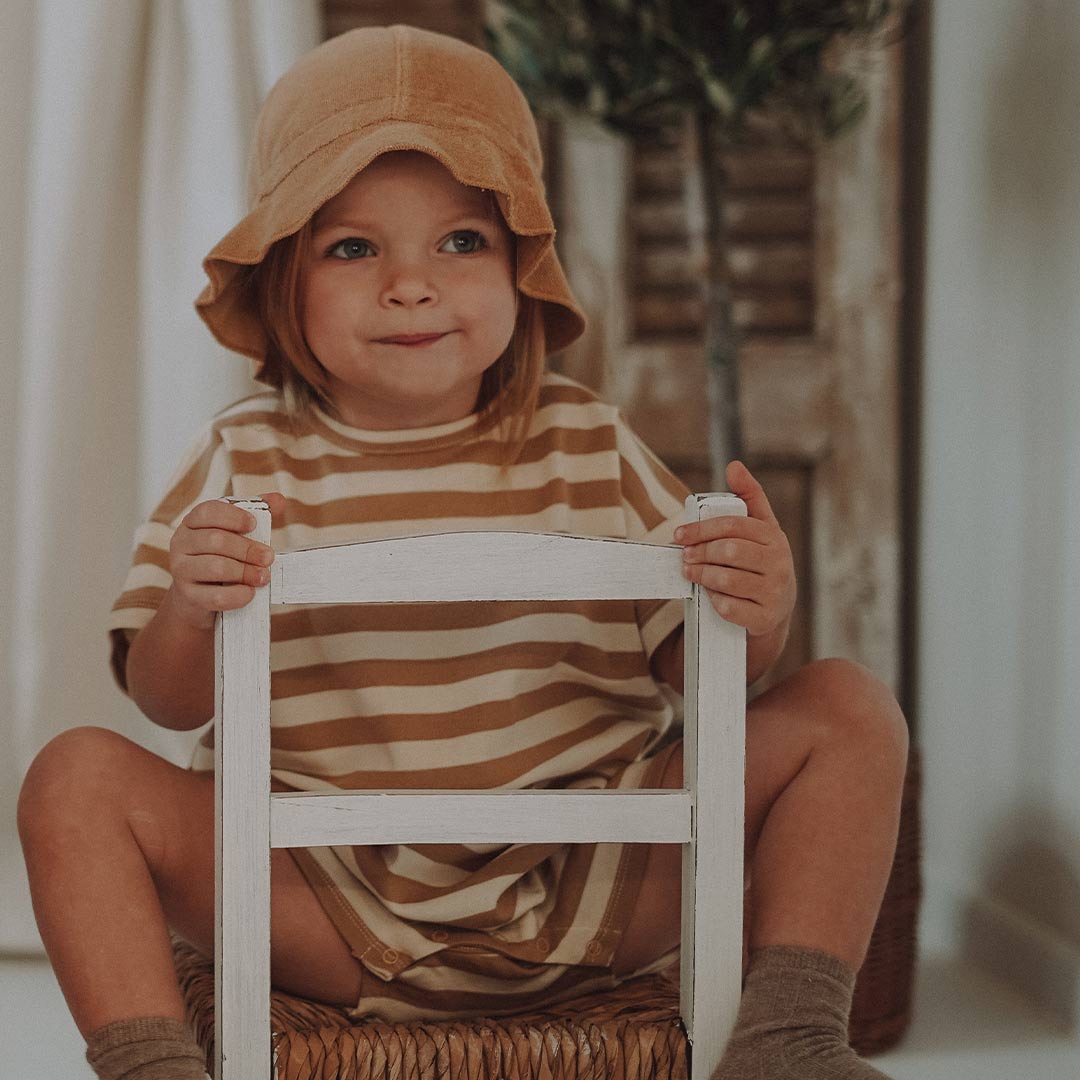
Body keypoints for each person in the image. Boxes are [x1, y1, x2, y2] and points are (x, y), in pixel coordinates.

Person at [16, 24, 908, 1080]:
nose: (411, 284)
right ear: (284, 280)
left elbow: (696, 675)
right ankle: (150, 1065)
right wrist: (189, 609)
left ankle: (788, 1040)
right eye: (354, 248)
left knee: (850, 709)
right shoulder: (243, 457)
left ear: (522, 268)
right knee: (70, 780)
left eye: (460, 242)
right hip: (322, 899)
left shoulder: (591, 443)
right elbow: (166, 703)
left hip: (598, 875)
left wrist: (753, 609)